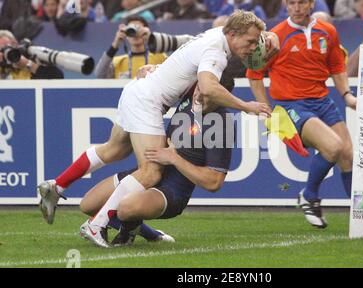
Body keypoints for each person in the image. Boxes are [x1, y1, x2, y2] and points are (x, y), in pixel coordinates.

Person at [38, 10, 271, 240]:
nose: (252, 47)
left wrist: (159, 69)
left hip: (138, 90)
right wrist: (247, 106)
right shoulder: (217, 52)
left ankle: (57, 186)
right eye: (250, 41)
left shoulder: (215, 34)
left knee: (114, 150)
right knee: (150, 172)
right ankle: (96, 225)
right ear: (232, 33)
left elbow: (185, 56)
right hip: (148, 101)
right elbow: (209, 87)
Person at [246, 0, 363, 233]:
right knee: (334, 147)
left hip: (323, 102)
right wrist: (265, 109)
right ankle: (309, 195)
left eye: (301, 3)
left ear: (311, 4)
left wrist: (347, 94)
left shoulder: (327, 32)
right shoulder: (275, 37)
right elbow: (254, 74)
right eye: (292, 3)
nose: (296, 8)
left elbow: (337, 67)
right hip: (291, 106)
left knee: (347, 155)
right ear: (286, 5)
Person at [78, 66, 236, 247]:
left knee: (125, 208)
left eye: (207, 94)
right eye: (199, 87)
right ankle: (150, 234)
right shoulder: (189, 92)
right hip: (149, 172)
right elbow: (175, 67)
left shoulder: (221, 124)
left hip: (173, 190)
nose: (199, 95)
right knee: (88, 205)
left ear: (222, 97)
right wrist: (148, 74)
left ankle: (127, 231)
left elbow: (214, 182)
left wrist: (174, 158)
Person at [95, 16, 167, 79]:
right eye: (131, 29)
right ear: (126, 34)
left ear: (146, 31)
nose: (135, 34)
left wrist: (151, 39)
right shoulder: (118, 62)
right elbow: (99, 75)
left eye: (139, 29)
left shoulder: (160, 57)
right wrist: (115, 45)